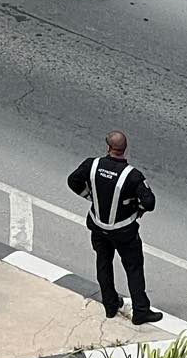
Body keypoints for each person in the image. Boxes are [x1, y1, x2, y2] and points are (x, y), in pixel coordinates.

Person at [67, 131, 161, 324]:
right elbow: (149, 203)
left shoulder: (92, 165)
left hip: (98, 227)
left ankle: (110, 305)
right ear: (124, 149)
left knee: (103, 263)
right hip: (124, 231)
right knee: (134, 269)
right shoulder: (133, 176)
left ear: (108, 147)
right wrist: (136, 208)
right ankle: (141, 311)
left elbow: (72, 181)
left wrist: (89, 197)